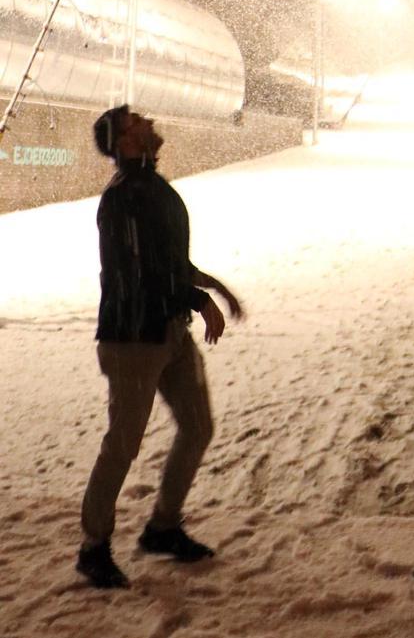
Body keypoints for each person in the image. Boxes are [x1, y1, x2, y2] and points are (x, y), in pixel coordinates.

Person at [76, 104, 244, 590]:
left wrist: (213, 287)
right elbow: (140, 272)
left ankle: (163, 528)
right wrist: (198, 299)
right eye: (137, 122)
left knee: (198, 426)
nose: (149, 122)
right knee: (123, 443)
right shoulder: (124, 198)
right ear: (125, 142)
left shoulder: (152, 187)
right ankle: (92, 547)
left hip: (169, 331)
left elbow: (169, 262)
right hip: (132, 340)